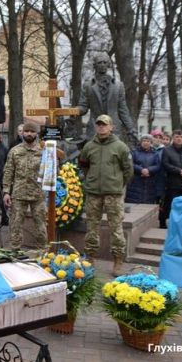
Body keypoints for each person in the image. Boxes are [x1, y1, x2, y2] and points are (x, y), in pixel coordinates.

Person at [78, 115, 133, 276]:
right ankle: (90, 258)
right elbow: (84, 165)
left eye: (104, 125)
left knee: (116, 228)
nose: (101, 127)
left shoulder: (120, 147)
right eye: (99, 125)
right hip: (94, 193)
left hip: (113, 194)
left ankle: (117, 261)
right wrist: (91, 179)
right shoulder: (89, 146)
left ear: (111, 127)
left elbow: (128, 170)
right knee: (91, 227)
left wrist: (117, 183)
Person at [76, 53, 138, 145]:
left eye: (105, 62)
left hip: (113, 129)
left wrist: (131, 129)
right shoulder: (88, 85)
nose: (102, 65)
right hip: (94, 129)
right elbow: (83, 107)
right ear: (95, 65)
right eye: (99, 62)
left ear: (108, 65)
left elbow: (123, 110)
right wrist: (73, 111)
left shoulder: (118, 86)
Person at [3, 120, 46, 250]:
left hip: (38, 193)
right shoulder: (15, 151)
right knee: (15, 225)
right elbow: (8, 171)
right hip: (19, 193)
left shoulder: (43, 151)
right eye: (26, 131)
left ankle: (43, 251)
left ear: (36, 133)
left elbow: (52, 171)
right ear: (22, 133)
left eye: (32, 131)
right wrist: (6, 192)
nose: (29, 134)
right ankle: (15, 252)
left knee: (41, 226)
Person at [126, 134, 162, 204]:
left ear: (151, 143)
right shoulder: (134, 152)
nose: (146, 142)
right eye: (144, 141)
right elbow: (130, 163)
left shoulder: (155, 154)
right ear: (141, 142)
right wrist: (141, 170)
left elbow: (158, 165)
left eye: (148, 141)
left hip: (150, 182)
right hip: (135, 181)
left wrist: (149, 170)